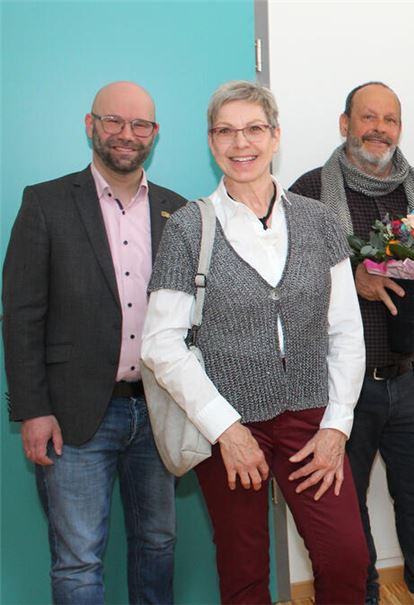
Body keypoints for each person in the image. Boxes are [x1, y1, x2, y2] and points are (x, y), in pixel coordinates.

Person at [141, 80, 368, 604]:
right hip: (229, 426)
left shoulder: (319, 221)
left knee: (345, 558)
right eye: (226, 131)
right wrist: (226, 430)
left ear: (275, 136)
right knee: (244, 572)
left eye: (253, 130)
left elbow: (346, 332)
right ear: (210, 140)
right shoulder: (189, 228)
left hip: (312, 422)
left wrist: (337, 425)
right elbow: (160, 343)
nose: (240, 144)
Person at [2, 81, 184, 604]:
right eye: (114, 121)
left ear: (154, 134)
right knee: (79, 560)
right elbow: (21, 318)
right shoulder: (46, 203)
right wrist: (32, 410)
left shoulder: (179, 212)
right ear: (91, 125)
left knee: (159, 544)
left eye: (140, 125)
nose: (126, 135)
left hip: (157, 411)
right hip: (74, 416)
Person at [288, 81, 414, 605]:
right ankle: (362, 597)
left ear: (399, 129)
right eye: (368, 117)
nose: (378, 128)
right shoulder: (309, 191)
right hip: (342, 387)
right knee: (346, 505)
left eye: (389, 119)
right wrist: (349, 279)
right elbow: (285, 285)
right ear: (345, 124)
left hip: (408, 378)